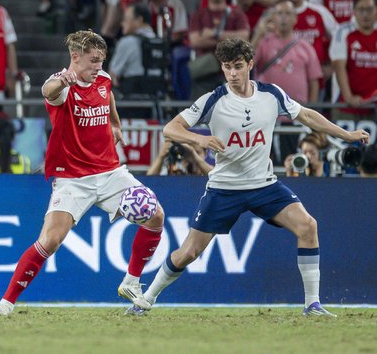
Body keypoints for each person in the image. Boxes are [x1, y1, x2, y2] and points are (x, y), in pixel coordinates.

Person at [125, 38, 369, 317]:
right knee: (189, 252)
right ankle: (145, 300)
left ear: (250, 64)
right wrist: (198, 139)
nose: (232, 73)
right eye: (227, 67)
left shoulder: (272, 95)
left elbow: (308, 116)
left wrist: (346, 134)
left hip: (264, 185)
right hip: (224, 189)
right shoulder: (213, 100)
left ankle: (312, 305)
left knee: (308, 226)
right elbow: (170, 129)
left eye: (238, 66)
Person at [0, 30, 165, 316]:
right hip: (72, 179)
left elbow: (108, 98)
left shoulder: (103, 79)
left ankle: (132, 281)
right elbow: (48, 92)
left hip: (110, 172)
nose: (99, 66)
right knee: (50, 240)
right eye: (93, 60)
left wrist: (117, 125)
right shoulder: (62, 87)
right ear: (75, 57)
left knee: (156, 215)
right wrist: (62, 80)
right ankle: (6, 302)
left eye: (101, 60)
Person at [329, 0, 377, 119]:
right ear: (354, 12)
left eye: (370, 9)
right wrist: (349, 97)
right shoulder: (342, 32)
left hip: (373, 106)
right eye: (361, 10)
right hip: (346, 107)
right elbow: (339, 66)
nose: (365, 14)